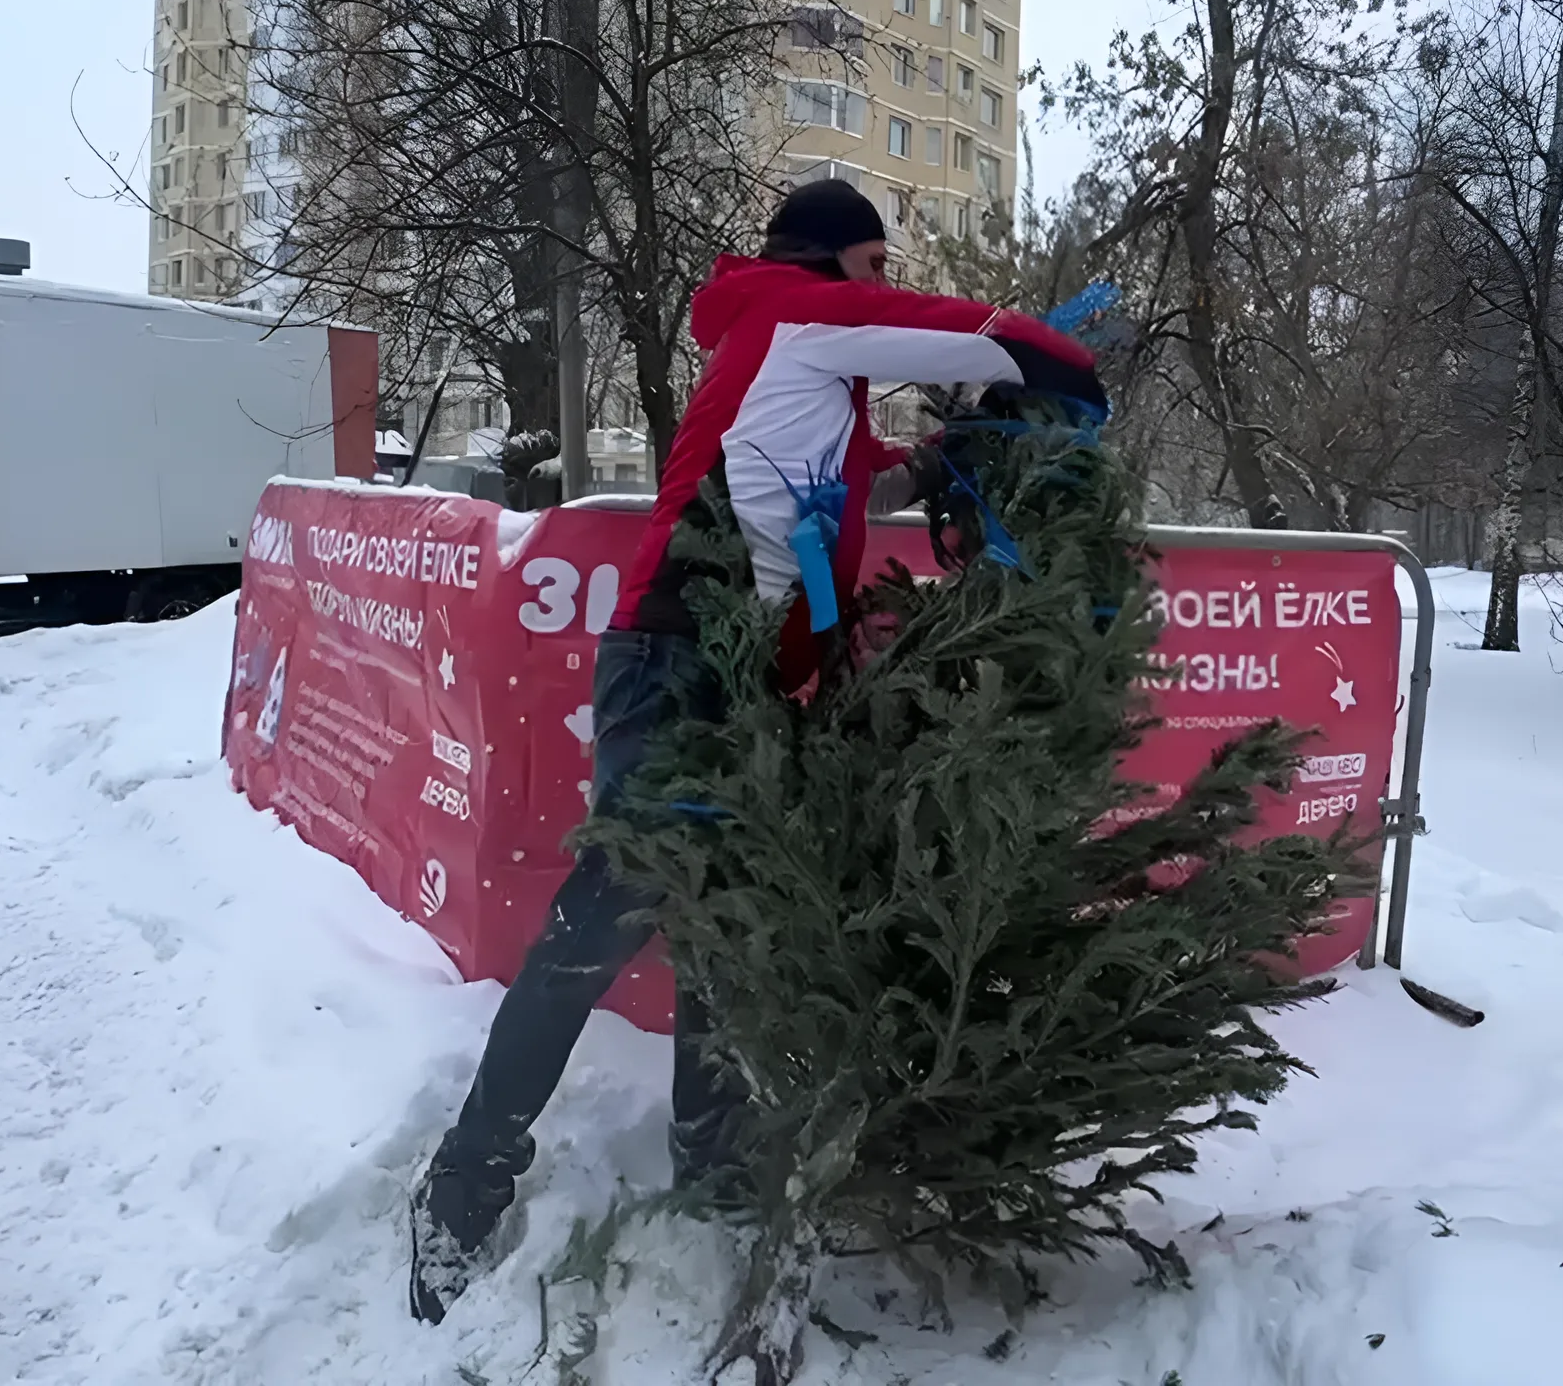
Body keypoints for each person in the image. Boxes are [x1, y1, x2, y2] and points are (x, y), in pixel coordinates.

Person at [408, 179, 1106, 1324]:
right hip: (681, 650)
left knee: (731, 913)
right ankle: (464, 1184)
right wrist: (1069, 372)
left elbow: (837, 479)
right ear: (834, 260)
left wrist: (926, 472)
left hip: (748, 662)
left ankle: (716, 1153)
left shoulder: (799, 358)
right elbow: (977, 335)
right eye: (875, 264)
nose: (885, 284)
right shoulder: (798, 310)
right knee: (608, 915)